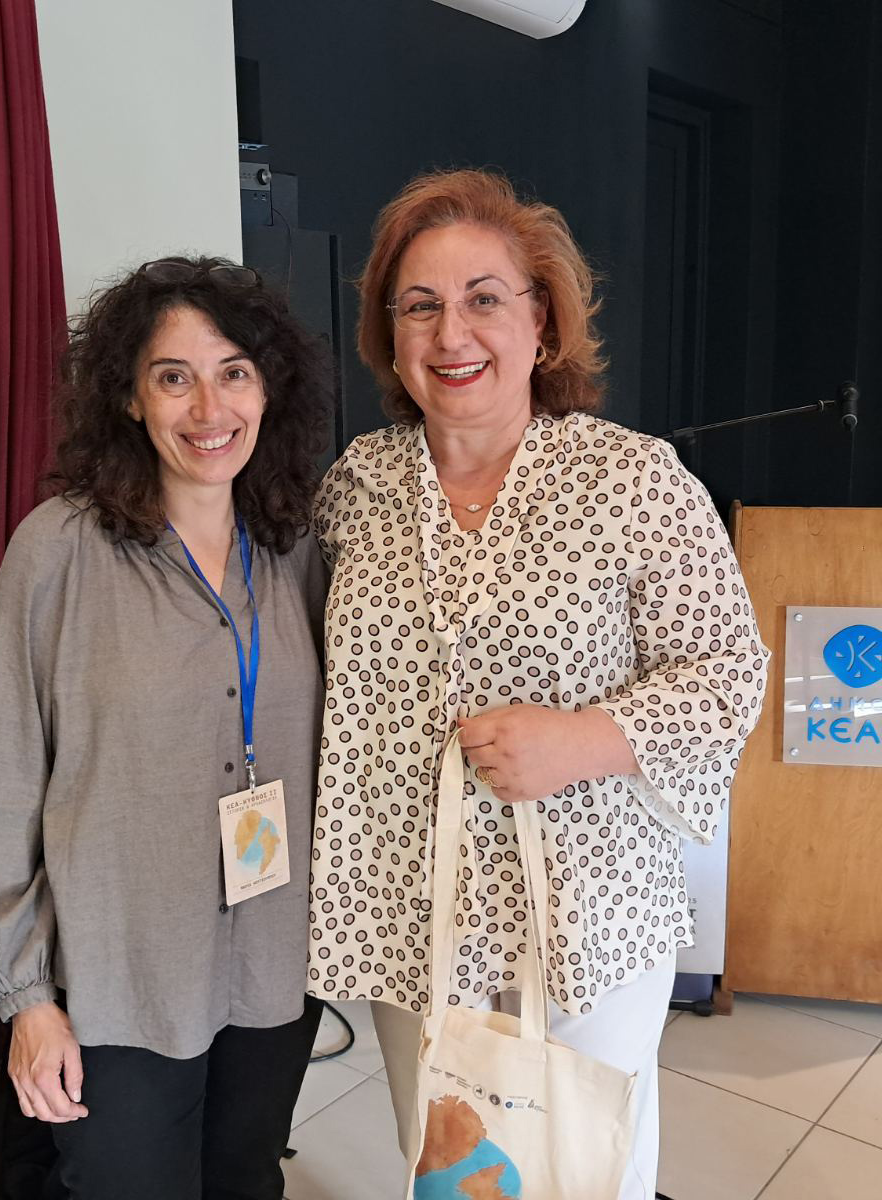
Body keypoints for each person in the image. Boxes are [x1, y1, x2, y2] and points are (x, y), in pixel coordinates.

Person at [307, 170, 770, 1198]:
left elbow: (728, 674)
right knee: (449, 1162)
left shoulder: (632, 478)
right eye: (418, 306)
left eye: (483, 298)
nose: (450, 333)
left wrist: (582, 740)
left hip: (585, 911)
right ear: (389, 335)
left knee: (582, 1164)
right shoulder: (356, 488)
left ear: (542, 321)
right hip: (408, 909)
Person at [0, 256, 331, 1200]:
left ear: (267, 390)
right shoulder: (59, 550)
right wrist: (26, 999)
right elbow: (1, 785)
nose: (209, 407)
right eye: (173, 377)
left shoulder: (295, 547)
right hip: (117, 982)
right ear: (128, 397)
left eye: (233, 372)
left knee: (243, 1179)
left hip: (270, 965)